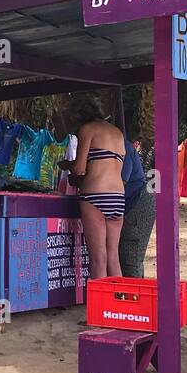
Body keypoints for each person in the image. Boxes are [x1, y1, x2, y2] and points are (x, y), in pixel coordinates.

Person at [61, 101, 127, 279]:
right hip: (118, 196)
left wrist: (66, 165)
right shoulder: (117, 133)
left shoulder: (88, 129)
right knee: (113, 256)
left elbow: (80, 169)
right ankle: (117, 302)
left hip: (95, 195)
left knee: (98, 258)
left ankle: (100, 306)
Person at [118, 142, 155, 277]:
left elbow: (155, 177)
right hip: (139, 197)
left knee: (130, 259)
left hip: (139, 200)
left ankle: (136, 294)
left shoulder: (151, 148)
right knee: (128, 257)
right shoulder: (137, 147)